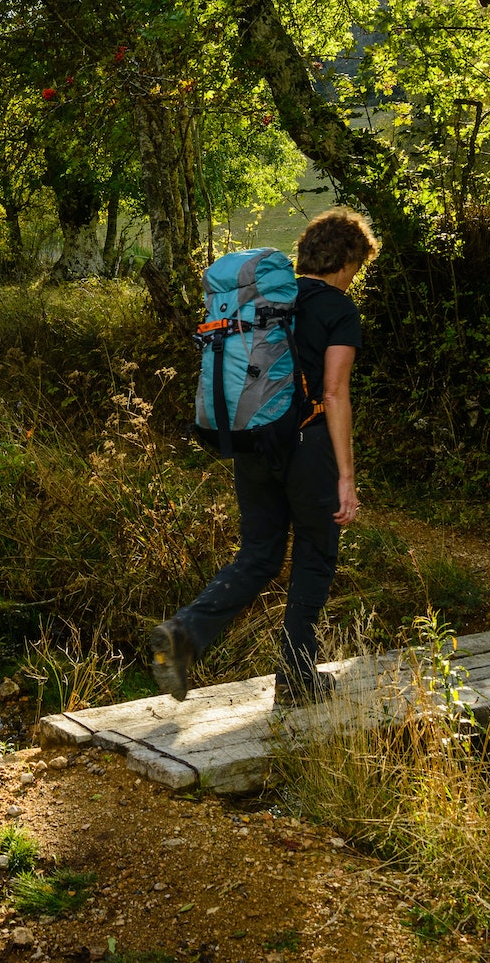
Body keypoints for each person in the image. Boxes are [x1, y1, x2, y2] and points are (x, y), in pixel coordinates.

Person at [148, 207, 379, 704]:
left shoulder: (274, 300)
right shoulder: (338, 308)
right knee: (315, 555)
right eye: (357, 265)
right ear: (347, 260)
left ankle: (184, 635)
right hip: (308, 446)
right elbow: (335, 394)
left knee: (258, 555)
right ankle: (297, 677)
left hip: (254, 440)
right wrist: (346, 476)